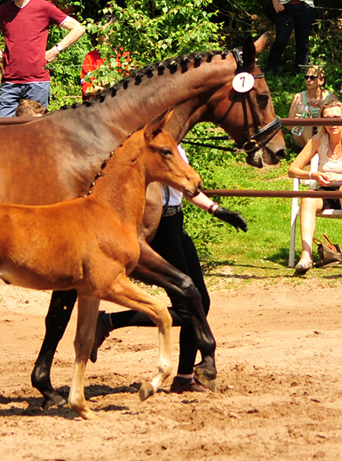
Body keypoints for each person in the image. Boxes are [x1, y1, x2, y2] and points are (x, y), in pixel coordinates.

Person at [92, 145, 248, 393]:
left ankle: (183, 376)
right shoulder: (149, 149)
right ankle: (109, 322)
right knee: (189, 308)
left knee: (201, 303)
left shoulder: (177, 149)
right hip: (159, 229)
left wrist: (217, 210)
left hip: (177, 223)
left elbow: (186, 189)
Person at [0, 0, 85, 117]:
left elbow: (78, 28)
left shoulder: (44, 7)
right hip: (10, 83)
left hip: (38, 83)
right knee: (3, 130)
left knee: (36, 131)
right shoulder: (3, 12)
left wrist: (56, 50)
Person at [288, 100, 342, 273]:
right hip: (326, 191)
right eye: (327, 118)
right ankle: (306, 256)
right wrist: (314, 175)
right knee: (308, 197)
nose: (332, 122)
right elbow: (292, 169)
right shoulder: (318, 139)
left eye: (336, 117)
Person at [287, 65, 337, 149]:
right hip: (301, 136)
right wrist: (296, 120)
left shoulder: (330, 97)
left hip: (324, 134)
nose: (308, 80)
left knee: (322, 113)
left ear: (321, 81)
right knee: (306, 115)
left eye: (312, 78)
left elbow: (339, 119)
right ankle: (312, 149)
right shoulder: (299, 97)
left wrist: (321, 106)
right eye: (306, 77)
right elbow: (289, 127)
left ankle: (312, 151)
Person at [265, 0, 315, 75]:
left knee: (303, 43)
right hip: (285, 6)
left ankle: (300, 74)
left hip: (305, 6)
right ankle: (270, 72)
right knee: (280, 41)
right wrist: (275, 3)